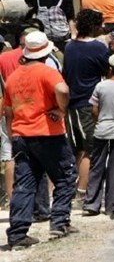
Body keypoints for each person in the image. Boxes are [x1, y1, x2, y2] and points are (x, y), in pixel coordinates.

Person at [3, 31, 78, 250]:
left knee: (25, 185)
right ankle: (59, 222)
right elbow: (63, 89)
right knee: (65, 176)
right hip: (48, 134)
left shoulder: (14, 77)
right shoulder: (47, 72)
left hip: (21, 135)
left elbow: (8, 111)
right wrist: (61, 110)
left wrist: (12, 134)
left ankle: (17, 234)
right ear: (46, 52)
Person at [63, 9, 109, 202]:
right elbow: (108, 71)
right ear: (94, 26)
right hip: (88, 104)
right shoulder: (98, 48)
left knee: (77, 149)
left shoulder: (69, 47)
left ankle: (73, 189)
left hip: (71, 104)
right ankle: (83, 192)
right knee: (90, 149)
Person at [82, 53, 114, 219]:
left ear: (110, 68)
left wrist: (99, 121)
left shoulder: (100, 86)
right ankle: (112, 206)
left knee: (97, 167)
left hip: (102, 130)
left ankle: (91, 204)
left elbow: (94, 110)